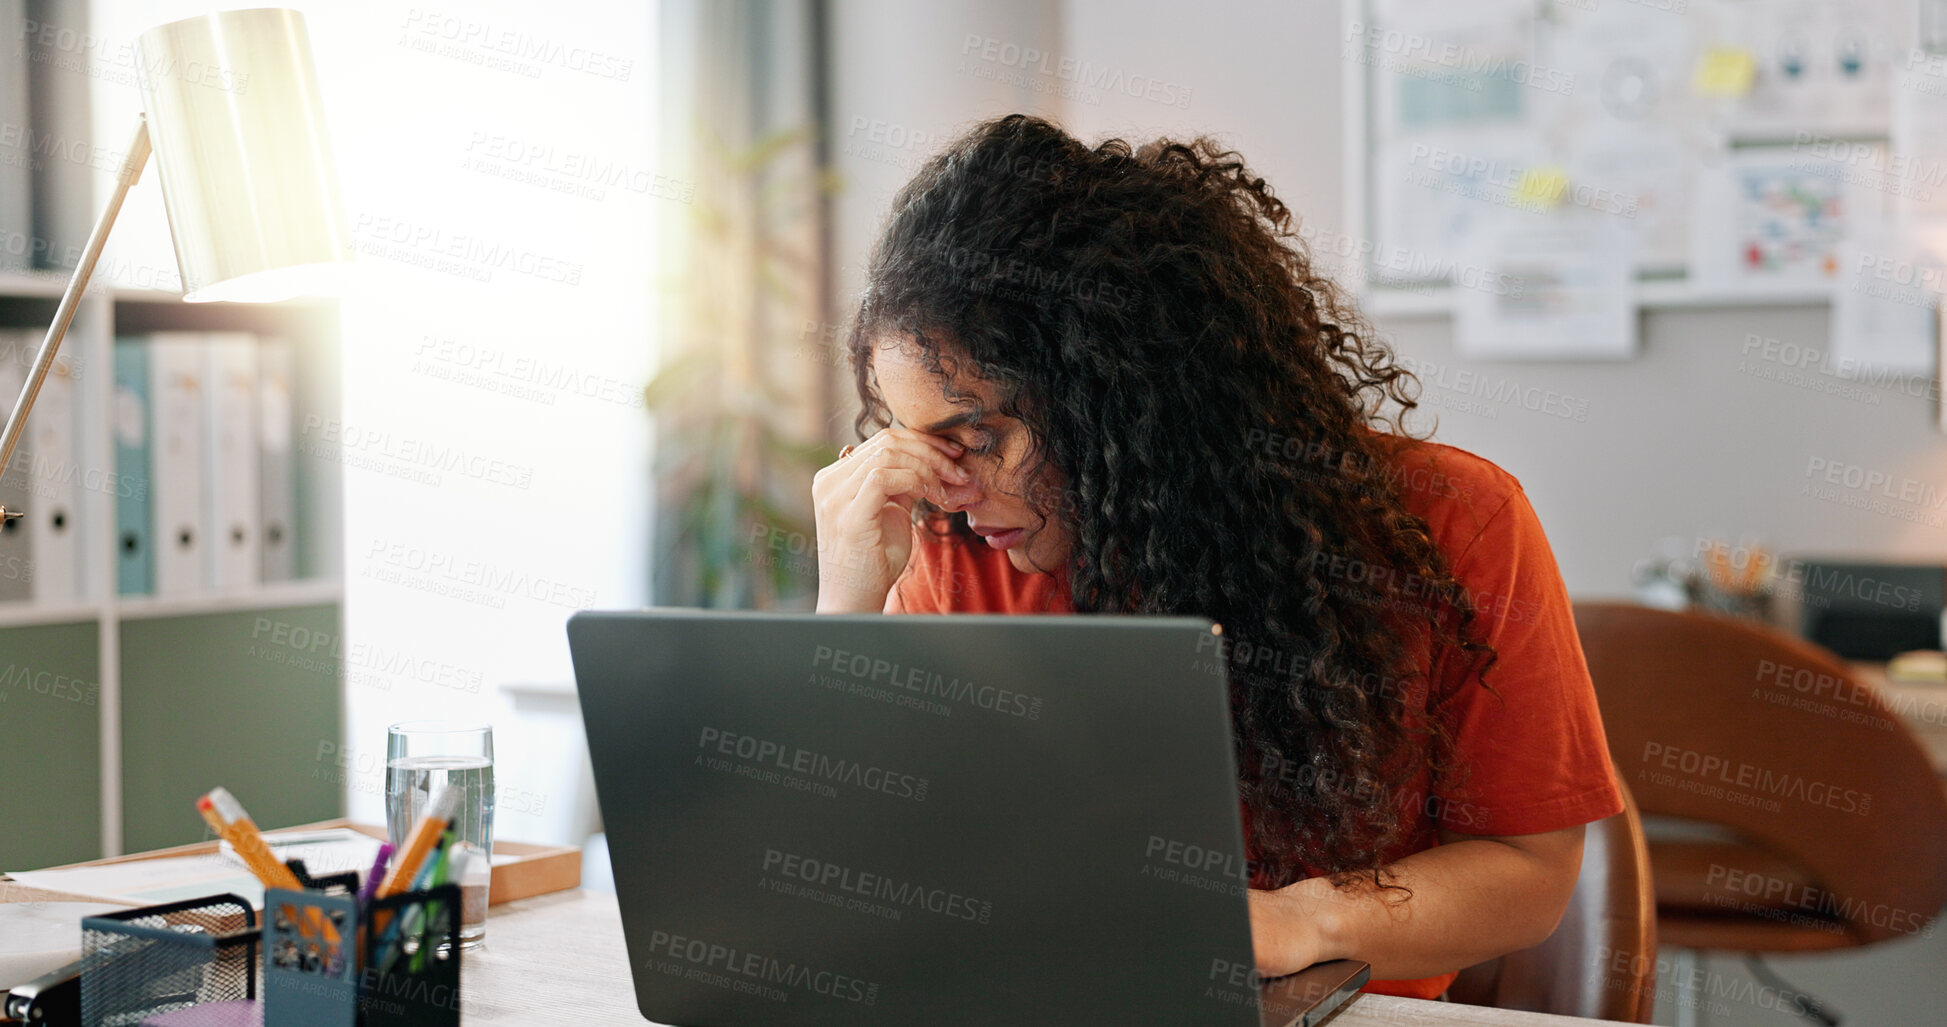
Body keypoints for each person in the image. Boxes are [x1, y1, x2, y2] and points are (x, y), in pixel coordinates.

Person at [810, 114, 1622, 1000]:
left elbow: (1529, 870)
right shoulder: (948, 551)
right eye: (916, 443)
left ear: (1122, 396)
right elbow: (848, 879)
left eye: (980, 434)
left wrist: (1298, 920)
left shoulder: (1451, 524)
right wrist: (846, 607)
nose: (948, 490)